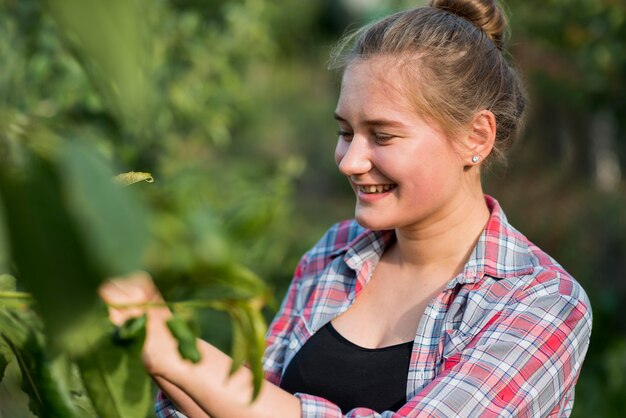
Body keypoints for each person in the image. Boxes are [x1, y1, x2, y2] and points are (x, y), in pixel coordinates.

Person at [99, 0, 593, 416]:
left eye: (382, 135)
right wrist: (152, 341)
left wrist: (169, 346)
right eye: (344, 132)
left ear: (476, 136)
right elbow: (247, 402)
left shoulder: (541, 303)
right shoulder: (335, 253)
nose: (351, 161)